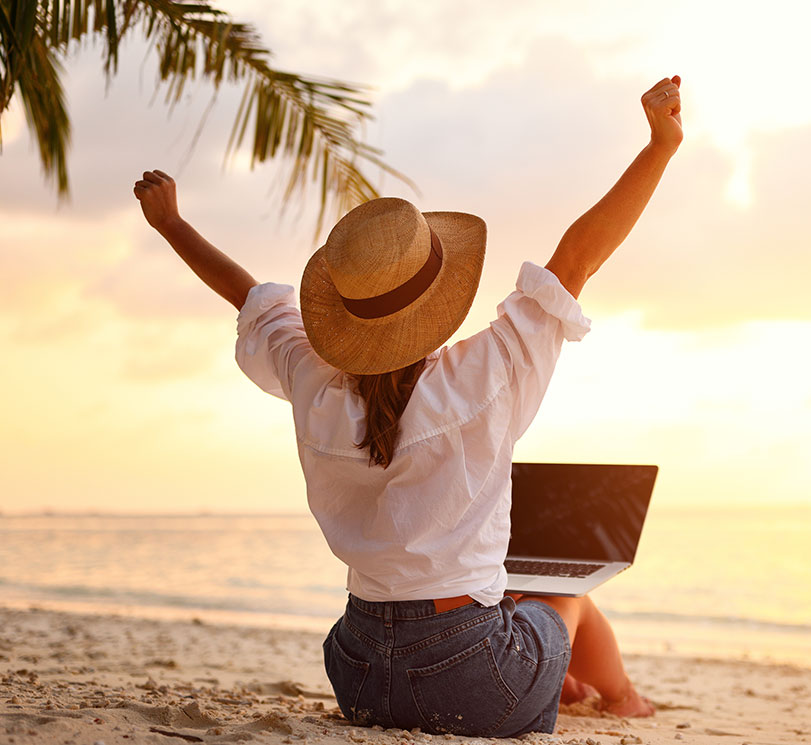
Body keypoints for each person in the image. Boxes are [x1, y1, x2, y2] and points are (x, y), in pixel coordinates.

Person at [133, 75, 682, 737]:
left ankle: (545, 679)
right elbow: (578, 257)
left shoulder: (313, 377)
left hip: (360, 671)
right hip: (466, 673)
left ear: (345, 319)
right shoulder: (490, 370)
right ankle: (625, 702)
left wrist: (170, 224)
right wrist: (661, 145)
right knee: (565, 598)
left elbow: (248, 295)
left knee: (512, 615)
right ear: (436, 308)